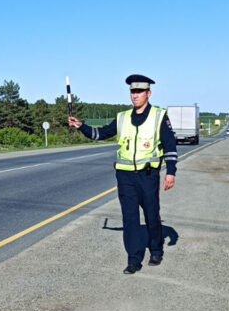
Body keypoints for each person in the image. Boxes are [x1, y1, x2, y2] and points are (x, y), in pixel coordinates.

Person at [68, 74, 178, 274]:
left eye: (139, 92)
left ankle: (155, 249)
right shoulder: (122, 117)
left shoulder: (159, 116)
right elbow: (100, 133)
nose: (135, 95)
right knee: (129, 219)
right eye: (132, 92)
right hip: (125, 177)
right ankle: (133, 259)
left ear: (148, 93)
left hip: (147, 176)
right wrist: (80, 126)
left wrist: (171, 172)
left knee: (152, 216)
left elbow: (170, 146)